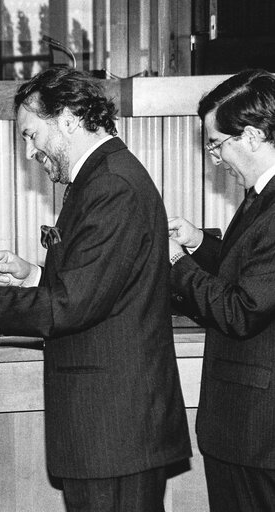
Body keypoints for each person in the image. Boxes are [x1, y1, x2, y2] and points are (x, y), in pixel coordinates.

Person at [0, 67, 191, 511]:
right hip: (110, 431)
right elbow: (96, 286)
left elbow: (69, 307)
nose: (31, 152)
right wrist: (32, 276)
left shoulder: (111, 185)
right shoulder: (99, 179)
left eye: (32, 135)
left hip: (114, 431)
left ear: (69, 119)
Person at [168, 69, 275, 512]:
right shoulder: (260, 197)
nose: (214, 160)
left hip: (258, 430)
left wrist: (174, 262)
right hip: (243, 426)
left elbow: (242, 309)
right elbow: (248, 271)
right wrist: (198, 244)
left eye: (216, 144)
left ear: (251, 136)